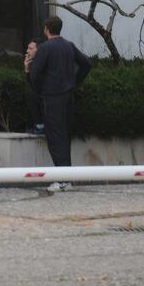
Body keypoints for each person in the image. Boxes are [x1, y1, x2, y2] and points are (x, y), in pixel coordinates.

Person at [29, 16, 92, 192]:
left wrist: (40, 88)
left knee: (55, 138)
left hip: (52, 97)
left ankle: (62, 179)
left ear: (46, 28)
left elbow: (35, 75)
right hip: (68, 96)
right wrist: (74, 82)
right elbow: (86, 64)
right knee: (65, 136)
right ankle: (67, 178)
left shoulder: (46, 48)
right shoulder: (69, 45)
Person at [24, 37, 47, 136]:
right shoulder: (34, 63)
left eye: (30, 48)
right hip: (42, 96)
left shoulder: (44, 63)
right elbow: (34, 85)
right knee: (31, 94)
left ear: (39, 49)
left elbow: (39, 86)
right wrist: (27, 70)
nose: (27, 51)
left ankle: (41, 125)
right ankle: (38, 125)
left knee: (32, 95)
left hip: (50, 96)